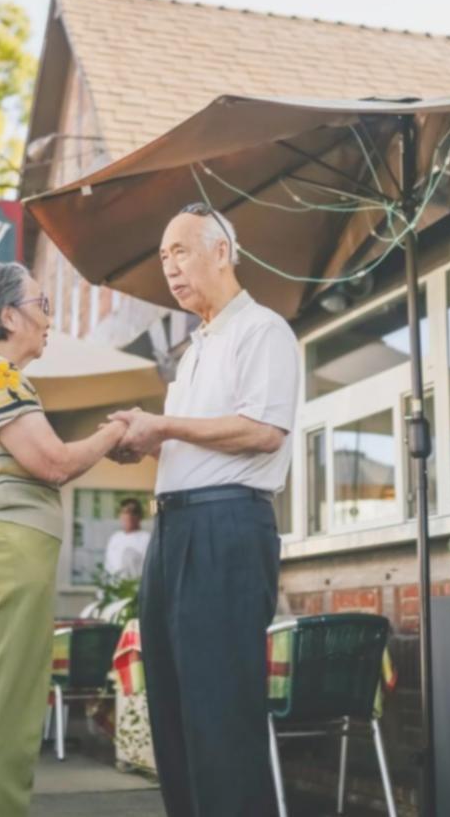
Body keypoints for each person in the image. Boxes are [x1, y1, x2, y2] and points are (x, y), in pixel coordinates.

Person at [109, 203, 300, 816]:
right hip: (175, 530)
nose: (169, 268)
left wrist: (164, 424)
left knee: (220, 709)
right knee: (172, 707)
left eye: (181, 251)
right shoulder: (193, 349)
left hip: (226, 528)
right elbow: (191, 444)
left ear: (222, 252)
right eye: (163, 257)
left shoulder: (263, 330)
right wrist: (145, 442)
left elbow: (265, 430)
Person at [0, 262, 128, 817]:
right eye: (43, 305)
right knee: (3, 723)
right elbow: (53, 462)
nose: (51, 320)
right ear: (7, 315)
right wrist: (115, 432)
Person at [102, 497, 151, 581]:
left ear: (140, 516)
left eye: (134, 512)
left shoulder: (147, 539)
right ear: (120, 515)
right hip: (114, 591)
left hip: (135, 590)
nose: (129, 516)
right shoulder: (115, 538)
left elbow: (149, 571)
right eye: (125, 512)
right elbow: (108, 567)